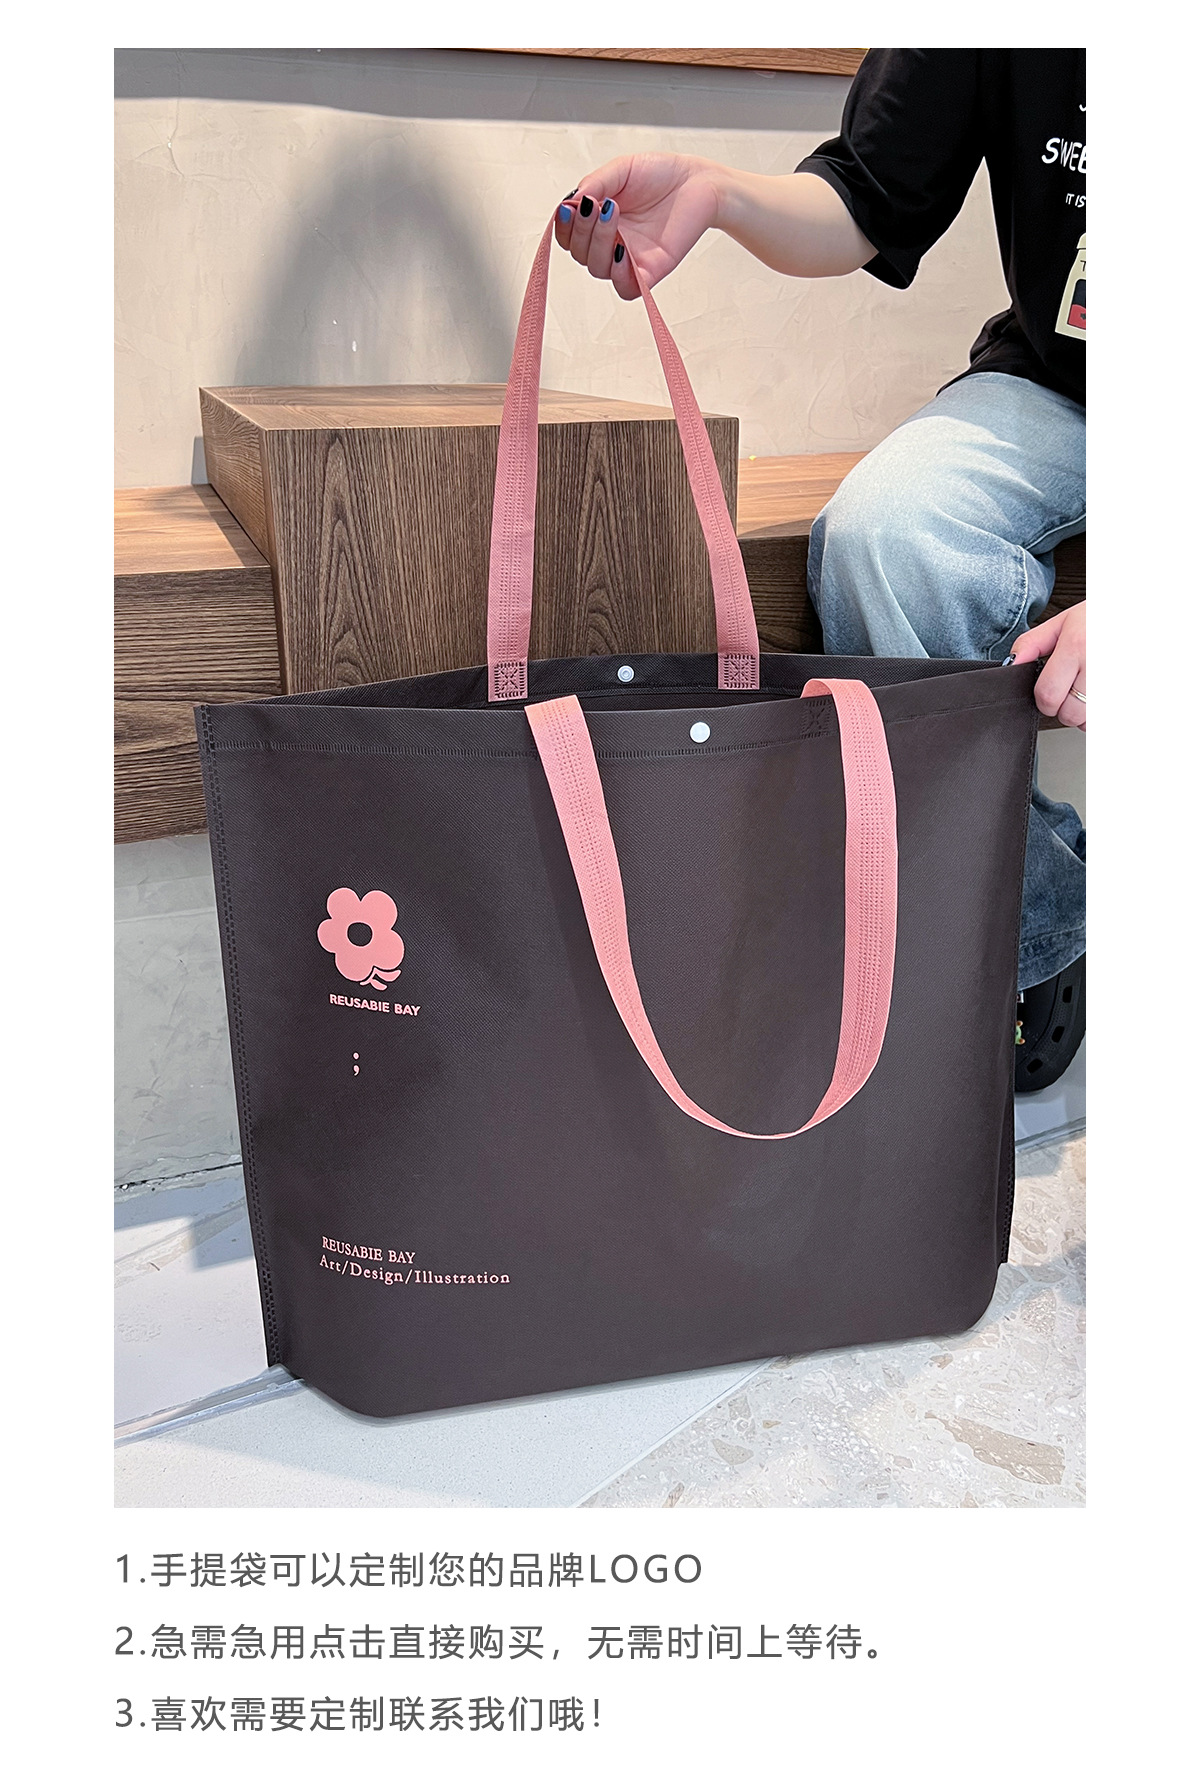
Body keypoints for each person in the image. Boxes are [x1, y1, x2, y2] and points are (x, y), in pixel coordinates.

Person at [553, 47, 1085, 1092]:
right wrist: (715, 193)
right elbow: (866, 194)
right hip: (1062, 382)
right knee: (885, 538)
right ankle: (1036, 927)